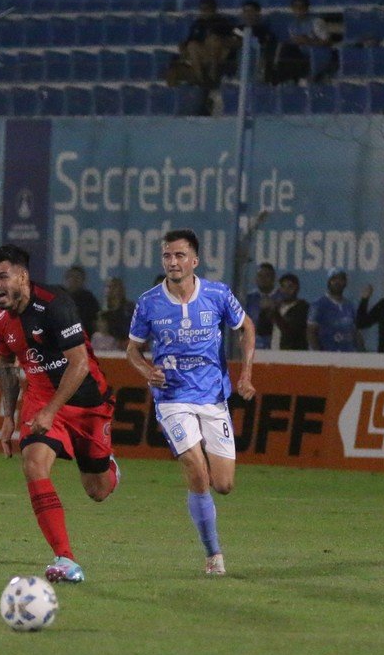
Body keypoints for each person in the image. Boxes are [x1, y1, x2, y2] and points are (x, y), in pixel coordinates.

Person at [0, 244, 120, 585]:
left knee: (98, 490)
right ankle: (65, 558)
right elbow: (5, 365)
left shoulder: (56, 305)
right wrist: (9, 417)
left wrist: (52, 409)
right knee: (33, 463)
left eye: (2, 276)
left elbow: (80, 364)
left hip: (88, 400)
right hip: (42, 400)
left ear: (22, 276)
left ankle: (109, 468)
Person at [126, 230, 256, 577]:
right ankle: (213, 555)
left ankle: (209, 521)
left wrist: (245, 375)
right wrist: (146, 370)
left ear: (194, 261)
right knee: (195, 470)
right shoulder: (149, 302)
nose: (173, 262)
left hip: (213, 397)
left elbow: (246, 328)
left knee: (224, 484)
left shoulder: (217, 294)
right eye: (167, 256)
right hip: (172, 397)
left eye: (180, 256)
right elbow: (132, 349)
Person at [307, 268, 359, 351]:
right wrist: (318, 356)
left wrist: (362, 354)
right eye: (334, 279)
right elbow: (311, 332)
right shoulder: (319, 304)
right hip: (327, 355)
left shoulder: (350, 305)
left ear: (345, 283)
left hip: (348, 356)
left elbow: (355, 332)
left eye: (341, 279)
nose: (337, 282)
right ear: (329, 282)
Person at [269, 272, 310, 350]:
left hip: (292, 354)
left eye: (290, 287)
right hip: (273, 351)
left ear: (297, 288)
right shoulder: (278, 307)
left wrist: (275, 313)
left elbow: (291, 331)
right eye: (283, 287)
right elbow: (263, 330)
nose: (286, 290)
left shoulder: (302, 307)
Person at [244, 262, 279, 350]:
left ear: (273, 278)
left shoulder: (281, 297)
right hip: (253, 346)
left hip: (276, 346)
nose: (263, 279)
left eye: (267, 276)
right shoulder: (248, 299)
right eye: (260, 276)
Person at [62, 265, 100, 336]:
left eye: (78, 277)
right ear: (66, 279)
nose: (74, 280)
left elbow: (95, 321)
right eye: (72, 276)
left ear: (83, 280)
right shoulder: (60, 296)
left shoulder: (89, 298)